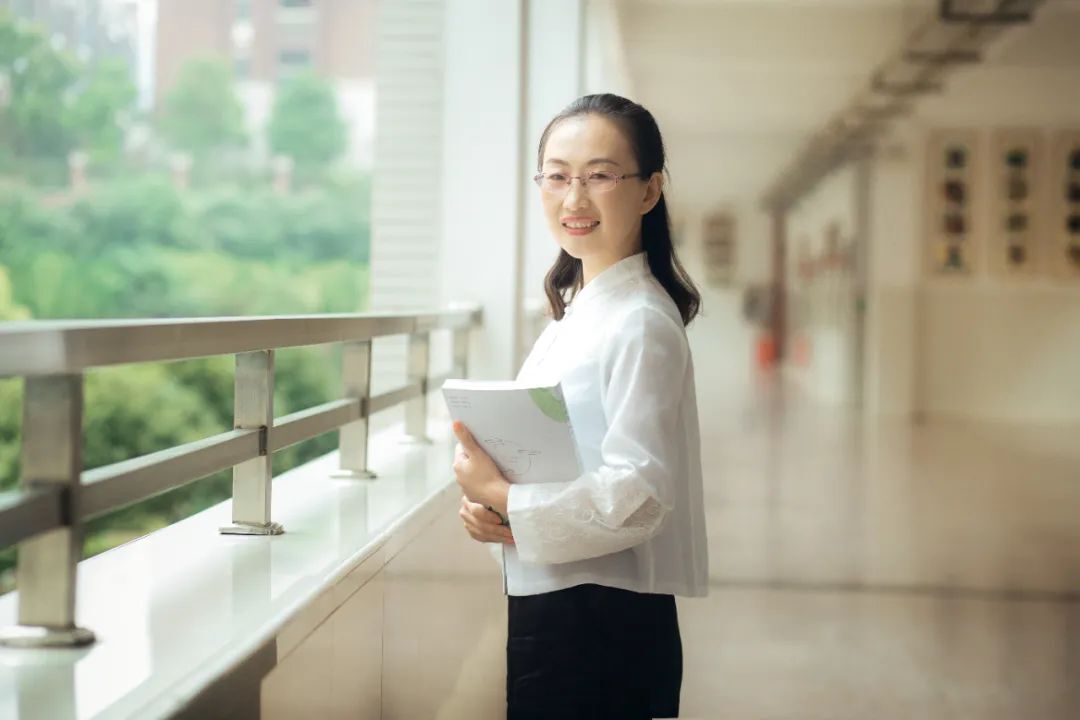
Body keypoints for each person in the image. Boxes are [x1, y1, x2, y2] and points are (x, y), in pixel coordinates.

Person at [451, 93, 708, 720]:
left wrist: (509, 499)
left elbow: (639, 495)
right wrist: (496, 513)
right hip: (562, 602)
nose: (574, 199)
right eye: (558, 176)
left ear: (650, 191)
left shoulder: (641, 321)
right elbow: (562, 465)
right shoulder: (581, 313)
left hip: (603, 624)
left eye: (599, 175)